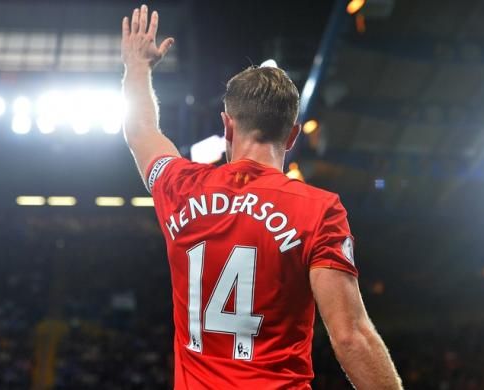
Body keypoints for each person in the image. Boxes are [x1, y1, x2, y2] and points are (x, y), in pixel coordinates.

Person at [120, 5, 402, 389]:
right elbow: (350, 337)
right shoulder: (319, 211)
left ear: (227, 127)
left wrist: (137, 66)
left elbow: (139, 130)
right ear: (292, 135)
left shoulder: (181, 188)